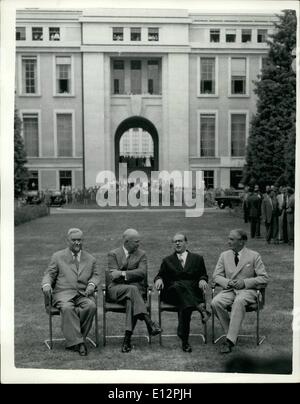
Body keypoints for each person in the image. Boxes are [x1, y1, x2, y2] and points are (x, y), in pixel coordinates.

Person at [41, 228, 100, 356]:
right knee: (67, 308)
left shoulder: (90, 259)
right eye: (74, 240)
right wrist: (46, 284)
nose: (77, 243)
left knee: (91, 306)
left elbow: (95, 276)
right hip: (63, 294)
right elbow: (49, 274)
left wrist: (91, 284)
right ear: (67, 241)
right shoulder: (57, 256)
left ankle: (75, 342)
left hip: (82, 294)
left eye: (79, 240)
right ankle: (80, 343)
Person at [211, 229, 269, 354]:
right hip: (230, 290)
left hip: (248, 291)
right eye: (228, 239)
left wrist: (245, 282)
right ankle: (230, 333)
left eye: (232, 239)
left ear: (242, 241)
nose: (228, 242)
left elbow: (264, 278)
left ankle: (229, 341)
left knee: (239, 301)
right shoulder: (224, 255)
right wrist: (227, 282)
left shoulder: (254, 256)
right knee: (215, 302)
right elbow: (216, 276)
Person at [107, 228, 162, 353]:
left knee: (130, 302)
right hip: (117, 290)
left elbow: (142, 273)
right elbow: (113, 276)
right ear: (127, 241)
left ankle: (127, 340)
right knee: (133, 288)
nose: (139, 244)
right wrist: (128, 274)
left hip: (134, 294)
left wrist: (122, 273)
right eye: (136, 242)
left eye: (139, 242)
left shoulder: (141, 254)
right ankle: (148, 321)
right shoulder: (113, 254)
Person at [154, 233, 210, 353]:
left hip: (187, 297)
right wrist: (158, 279)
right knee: (178, 285)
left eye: (180, 241)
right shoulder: (167, 260)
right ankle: (201, 308)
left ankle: (184, 340)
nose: (177, 243)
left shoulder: (197, 258)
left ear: (186, 242)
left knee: (185, 305)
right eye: (175, 241)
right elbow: (159, 275)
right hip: (172, 294)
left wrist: (202, 280)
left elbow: (203, 274)